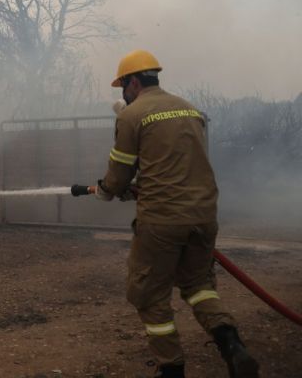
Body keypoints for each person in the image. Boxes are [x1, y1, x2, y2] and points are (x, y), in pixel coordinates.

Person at [96, 50, 259, 378]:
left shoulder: (131, 115)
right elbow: (176, 163)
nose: (121, 95)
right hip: (203, 215)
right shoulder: (190, 109)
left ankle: (171, 369)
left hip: (162, 221)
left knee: (149, 294)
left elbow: (118, 176)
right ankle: (231, 344)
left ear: (134, 81)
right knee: (199, 285)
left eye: (122, 87)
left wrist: (106, 190)